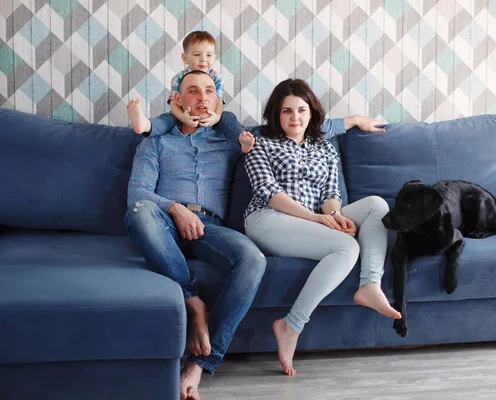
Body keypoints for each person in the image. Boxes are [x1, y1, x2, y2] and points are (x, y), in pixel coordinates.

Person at [124, 70, 386, 398]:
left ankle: (200, 364)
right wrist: (176, 208)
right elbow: (138, 194)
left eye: (209, 92)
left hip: (211, 228)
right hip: (161, 222)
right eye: (192, 91)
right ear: (177, 100)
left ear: (218, 102)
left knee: (253, 259)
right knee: (140, 212)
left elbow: (305, 124)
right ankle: (192, 300)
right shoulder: (155, 142)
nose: (202, 98)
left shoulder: (234, 142)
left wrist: (356, 119)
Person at [244, 79, 401, 376]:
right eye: (287, 111)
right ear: (276, 115)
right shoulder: (259, 144)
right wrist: (317, 219)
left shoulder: (325, 148)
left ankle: (369, 284)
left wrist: (336, 216)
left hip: (316, 218)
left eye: (301, 110)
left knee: (376, 206)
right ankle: (291, 325)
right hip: (268, 219)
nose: (295, 118)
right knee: (346, 247)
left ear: (312, 113)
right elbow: (271, 194)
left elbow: (330, 194)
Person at [128, 30, 255, 153]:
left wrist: (216, 118)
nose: (203, 59)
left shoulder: (217, 78)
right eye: (197, 54)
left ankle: (241, 139)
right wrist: (182, 117)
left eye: (208, 55)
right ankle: (145, 125)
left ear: (215, 58)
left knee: (228, 117)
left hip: (211, 115)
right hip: (183, 114)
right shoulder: (178, 78)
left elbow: (219, 102)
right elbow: (174, 103)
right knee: (167, 119)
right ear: (185, 58)